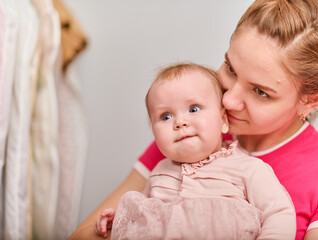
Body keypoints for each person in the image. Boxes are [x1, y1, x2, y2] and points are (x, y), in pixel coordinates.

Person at [69, 0, 318, 239]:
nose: (229, 100)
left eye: (260, 92)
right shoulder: (189, 138)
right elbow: (84, 234)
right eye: (231, 68)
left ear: (310, 100)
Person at [94, 63, 296, 240]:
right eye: (165, 117)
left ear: (223, 120)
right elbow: (144, 216)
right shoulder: (158, 172)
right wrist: (120, 219)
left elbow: (279, 213)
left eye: (193, 109)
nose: (180, 122)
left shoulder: (248, 168)